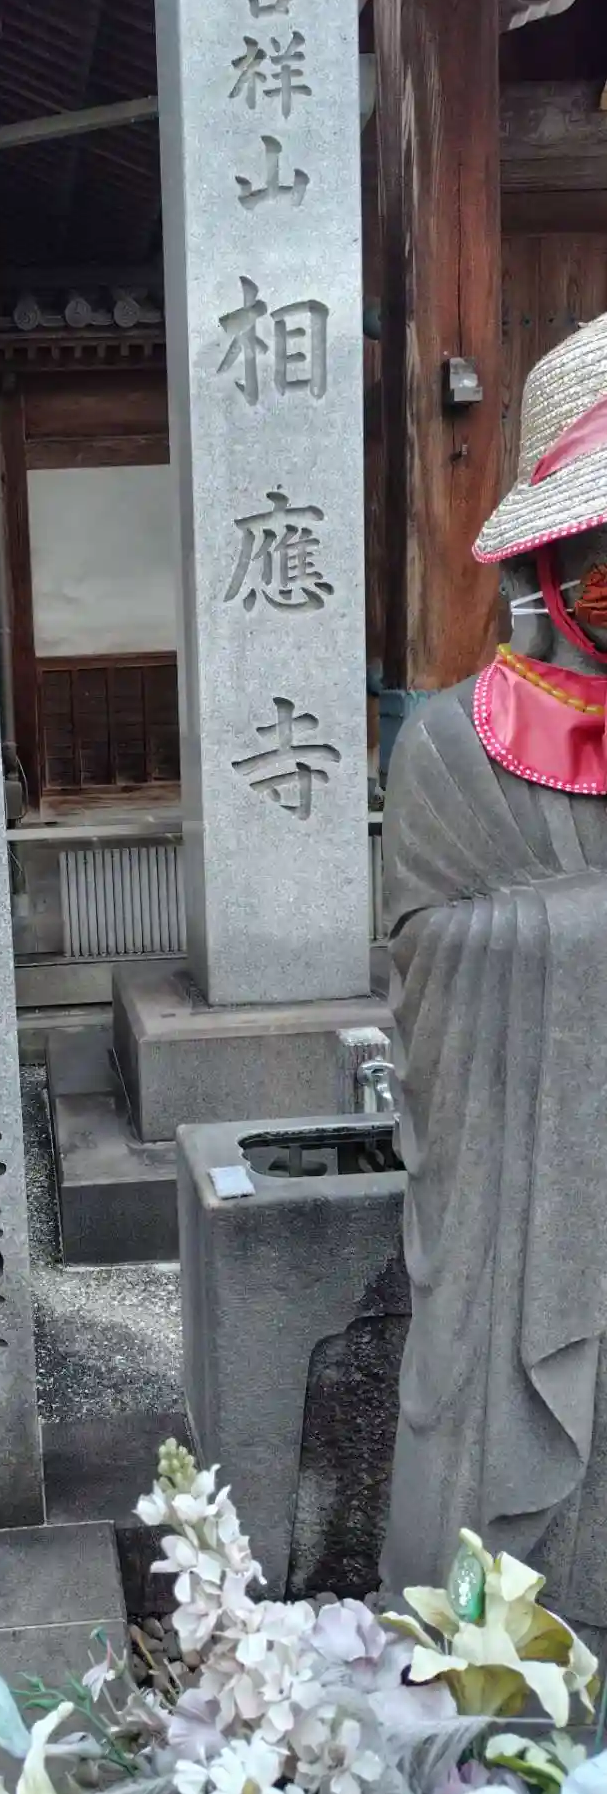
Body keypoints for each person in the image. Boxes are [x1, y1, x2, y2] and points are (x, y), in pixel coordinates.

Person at [380, 314, 607, 1628]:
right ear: (548, 559)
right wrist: (579, 935)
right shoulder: (454, 748)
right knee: (493, 1435)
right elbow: (430, 971)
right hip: (525, 1213)